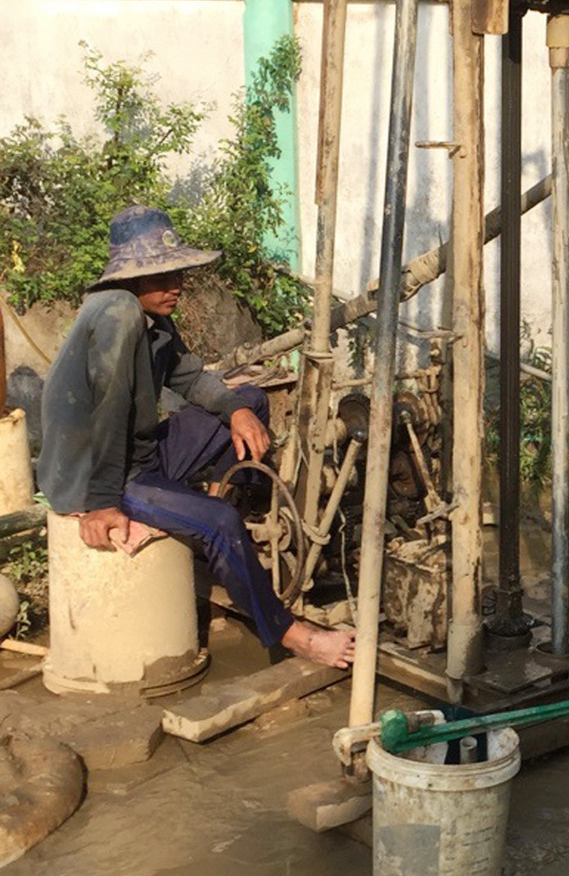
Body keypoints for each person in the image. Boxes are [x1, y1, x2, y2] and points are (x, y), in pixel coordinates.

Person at [39, 205, 354, 670]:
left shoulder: (152, 316)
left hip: (140, 453)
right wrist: (102, 505)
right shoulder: (117, 313)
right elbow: (108, 411)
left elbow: (189, 377)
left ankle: (229, 531)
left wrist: (237, 410)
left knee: (251, 401)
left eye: (178, 274)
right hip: (100, 474)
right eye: (161, 277)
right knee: (220, 521)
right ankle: (292, 633)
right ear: (131, 277)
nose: (176, 286)